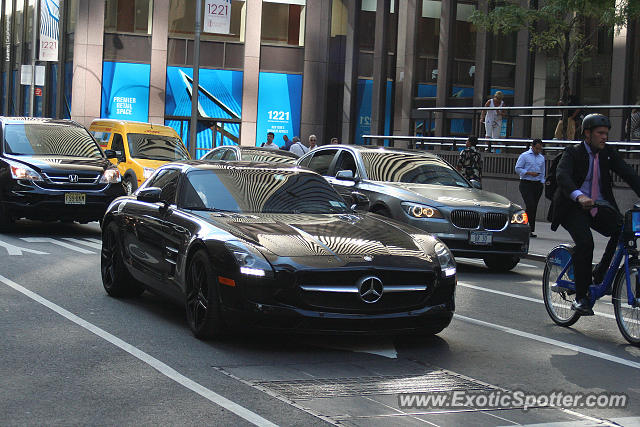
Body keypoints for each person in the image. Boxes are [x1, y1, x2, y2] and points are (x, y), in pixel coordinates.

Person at [550, 113, 640, 315]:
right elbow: (562, 176)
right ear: (587, 134)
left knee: (622, 231)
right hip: (572, 207)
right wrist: (579, 196)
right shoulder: (573, 152)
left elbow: (629, 174)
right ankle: (581, 297)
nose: (604, 137)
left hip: (598, 207)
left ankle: (600, 274)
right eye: (600, 133)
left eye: (606, 133)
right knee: (585, 243)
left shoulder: (608, 153)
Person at [515, 139, 545, 237]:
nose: (538, 151)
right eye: (536, 148)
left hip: (537, 184)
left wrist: (542, 181)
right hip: (526, 183)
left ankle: (530, 229)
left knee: (534, 207)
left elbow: (542, 171)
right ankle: (523, 225)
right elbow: (517, 168)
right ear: (532, 146)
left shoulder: (541, 158)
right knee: (530, 204)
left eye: (540, 149)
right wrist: (528, 173)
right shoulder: (524, 156)